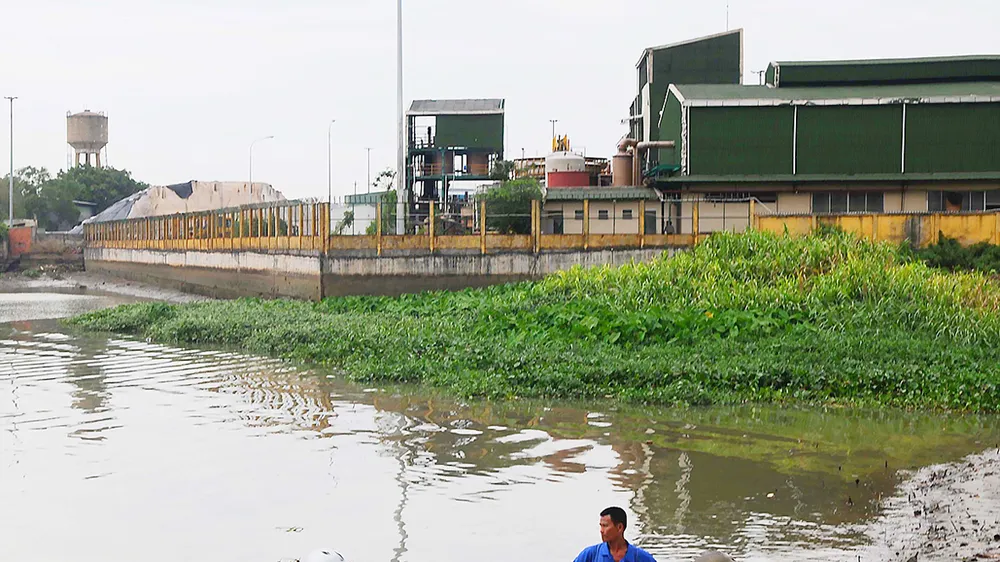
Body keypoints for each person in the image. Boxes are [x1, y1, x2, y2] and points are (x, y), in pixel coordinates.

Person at [573, 507, 656, 562]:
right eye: (601, 526)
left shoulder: (640, 557)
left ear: (619, 527)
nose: (601, 531)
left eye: (605, 526)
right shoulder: (591, 555)